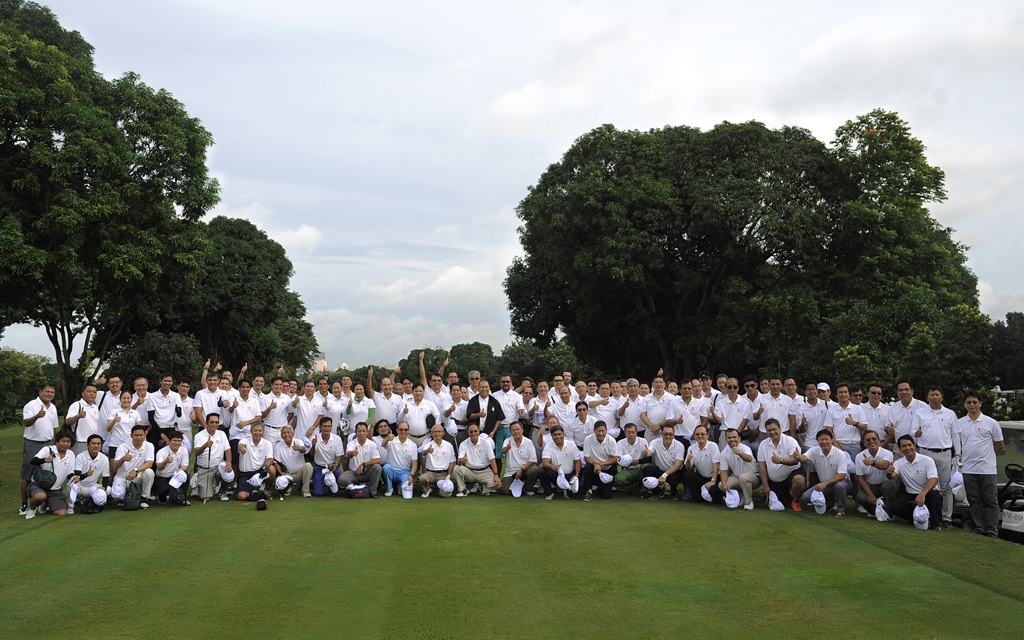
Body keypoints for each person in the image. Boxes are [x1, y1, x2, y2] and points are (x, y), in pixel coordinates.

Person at [909, 386, 959, 528]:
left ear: (941, 397)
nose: (934, 397)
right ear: (927, 398)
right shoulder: (920, 413)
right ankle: (928, 514)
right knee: (928, 486)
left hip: (944, 453)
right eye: (932, 395)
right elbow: (912, 431)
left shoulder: (950, 414)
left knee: (946, 487)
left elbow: (955, 434)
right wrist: (916, 434)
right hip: (925, 452)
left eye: (937, 395)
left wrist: (959, 454)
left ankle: (947, 517)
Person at [957, 391, 1004, 537]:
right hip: (969, 468)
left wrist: (989, 457)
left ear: (980, 403)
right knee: (974, 499)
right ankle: (980, 527)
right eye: (969, 402)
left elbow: (999, 444)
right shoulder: (960, 423)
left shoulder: (991, 422)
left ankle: (992, 529)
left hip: (987, 469)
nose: (972, 405)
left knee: (990, 499)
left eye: (974, 402)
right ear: (965, 404)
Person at [882, 435, 941, 529]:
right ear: (900, 449)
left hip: (928, 493)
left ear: (914, 446)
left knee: (934, 496)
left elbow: (934, 479)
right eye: (904, 446)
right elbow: (892, 476)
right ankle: (917, 521)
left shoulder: (927, 460)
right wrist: (890, 472)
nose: (907, 448)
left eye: (909, 445)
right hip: (910, 494)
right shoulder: (899, 463)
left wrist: (923, 493)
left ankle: (935, 525)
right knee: (894, 507)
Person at [20, 383, 59, 516]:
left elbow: (54, 427)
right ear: (40, 391)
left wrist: (54, 443)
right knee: (28, 472)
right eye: (47, 391)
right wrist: (37, 416)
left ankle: (43, 502)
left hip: (48, 443)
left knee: (46, 472)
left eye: (52, 392)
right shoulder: (31, 405)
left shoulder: (53, 407)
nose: (49, 394)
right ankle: (24, 505)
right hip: (32, 443)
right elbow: (26, 422)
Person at [795, 430, 852, 517]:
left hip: (842, 482)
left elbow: (841, 475)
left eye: (826, 439)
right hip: (826, 485)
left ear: (831, 440)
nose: (824, 442)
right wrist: (798, 457)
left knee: (839, 486)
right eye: (821, 439)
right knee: (806, 497)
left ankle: (840, 510)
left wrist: (824, 483)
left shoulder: (840, 454)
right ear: (817, 441)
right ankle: (830, 502)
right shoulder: (814, 451)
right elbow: (804, 457)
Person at [25, 428, 76, 519]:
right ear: (56, 441)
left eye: (68, 441)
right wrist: (44, 460)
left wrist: (74, 477)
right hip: (39, 485)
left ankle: (46, 503)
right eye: (63, 441)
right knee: (40, 496)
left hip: (55, 489)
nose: (65, 444)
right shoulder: (47, 449)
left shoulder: (71, 454)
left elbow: (70, 472)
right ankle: (32, 508)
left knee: (62, 512)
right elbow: (33, 461)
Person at [757, 418, 804, 511]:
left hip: (791, 475)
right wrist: (765, 485)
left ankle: (795, 501)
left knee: (799, 480)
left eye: (774, 429)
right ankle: (787, 496)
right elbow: (762, 465)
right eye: (769, 430)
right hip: (776, 481)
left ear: (780, 428)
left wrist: (781, 461)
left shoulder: (790, 441)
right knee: (781, 505)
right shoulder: (763, 444)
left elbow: (795, 460)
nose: (772, 432)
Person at [111, 425, 156, 508]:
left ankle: (143, 498)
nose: (139, 437)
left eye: (141, 435)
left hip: (138, 475)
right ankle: (126, 498)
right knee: (117, 495)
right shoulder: (122, 447)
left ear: (144, 435)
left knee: (149, 472)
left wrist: (135, 470)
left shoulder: (149, 446)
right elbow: (115, 466)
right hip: (123, 477)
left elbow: (149, 463)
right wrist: (123, 458)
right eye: (136, 435)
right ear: (131, 436)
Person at [193, 413, 233, 503]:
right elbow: (197, 452)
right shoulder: (199, 436)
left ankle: (221, 491)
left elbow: (228, 450)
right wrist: (205, 445)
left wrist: (229, 463)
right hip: (205, 469)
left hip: (218, 466)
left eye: (216, 422)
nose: (214, 424)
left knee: (230, 474)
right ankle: (205, 486)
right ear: (206, 423)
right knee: (205, 498)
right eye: (212, 422)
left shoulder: (222, 434)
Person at [718, 427, 761, 510]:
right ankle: (740, 495)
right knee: (721, 485)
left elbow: (749, 459)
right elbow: (724, 471)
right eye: (729, 438)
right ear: (726, 439)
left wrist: (739, 453)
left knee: (743, 477)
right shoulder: (724, 453)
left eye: (734, 437)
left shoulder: (745, 448)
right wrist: (724, 484)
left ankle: (748, 502)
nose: (732, 439)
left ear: (739, 438)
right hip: (738, 478)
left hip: (754, 477)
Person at [453, 424, 501, 497]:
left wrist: (496, 474)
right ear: (468, 432)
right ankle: (463, 490)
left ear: (478, 431)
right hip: (470, 471)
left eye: (475, 431)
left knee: (497, 484)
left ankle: (484, 489)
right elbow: (459, 461)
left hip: (484, 471)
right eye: (471, 432)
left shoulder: (486, 443)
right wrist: (461, 461)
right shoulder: (463, 444)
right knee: (457, 468)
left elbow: (492, 459)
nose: (473, 433)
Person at [338, 422, 384, 498]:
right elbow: (347, 454)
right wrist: (353, 453)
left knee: (377, 467)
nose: (361, 433)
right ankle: (357, 486)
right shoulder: (351, 444)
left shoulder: (372, 444)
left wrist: (363, 464)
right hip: (354, 473)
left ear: (367, 432)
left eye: (363, 431)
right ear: (355, 432)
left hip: (367, 472)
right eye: (359, 431)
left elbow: (378, 460)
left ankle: (372, 491)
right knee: (341, 478)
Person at [640, 425, 686, 499]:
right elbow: (649, 451)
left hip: (674, 472)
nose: (668, 436)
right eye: (665, 434)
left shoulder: (679, 445)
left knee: (673, 479)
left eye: (670, 434)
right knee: (647, 469)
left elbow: (677, 465)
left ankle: (674, 492)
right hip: (660, 470)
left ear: (674, 434)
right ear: (661, 434)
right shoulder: (655, 442)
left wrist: (664, 476)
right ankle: (657, 492)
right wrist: (646, 453)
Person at [854, 430, 894, 516]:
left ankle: (889, 512)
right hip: (871, 486)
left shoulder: (887, 453)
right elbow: (860, 478)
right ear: (864, 443)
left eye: (874, 439)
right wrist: (870, 494)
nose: (871, 441)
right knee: (861, 497)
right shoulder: (859, 456)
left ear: (879, 441)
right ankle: (875, 512)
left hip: (885, 485)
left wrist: (873, 462)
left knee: (889, 485)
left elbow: (885, 465)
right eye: (868, 440)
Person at [540, 424, 582, 500]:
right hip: (556, 474)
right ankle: (549, 493)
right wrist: (552, 467)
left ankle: (565, 489)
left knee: (581, 487)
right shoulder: (548, 447)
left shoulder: (571, 445)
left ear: (563, 434)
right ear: (552, 436)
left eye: (559, 434)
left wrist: (576, 475)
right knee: (542, 472)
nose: (558, 436)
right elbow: (544, 462)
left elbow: (577, 462)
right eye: (555, 435)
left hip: (570, 475)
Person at [70, 434, 110, 513]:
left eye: (98, 444)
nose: (96, 446)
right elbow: (77, 476)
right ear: (88, 445)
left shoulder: (104, 458)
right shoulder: (80, 456)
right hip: (80, 487)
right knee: (72, 485)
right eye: (93, 443)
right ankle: (70, 507)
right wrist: (86, 475)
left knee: (108, 490)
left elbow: (106, 476)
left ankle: (90, 501)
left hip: (92, 487)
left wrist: (104, 487)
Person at [235, 424, 277, 501]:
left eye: (260, 431)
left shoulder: (267, 443)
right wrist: (243, 449)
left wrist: (265, 468)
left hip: (260, 471)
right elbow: (241, 445)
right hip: (246, 474)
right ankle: (253, 492)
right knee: (241, 497)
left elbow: (270, 459)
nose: (257, 433)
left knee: (272, 469)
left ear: (263, 432)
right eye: (255, 430)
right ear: (251, 431)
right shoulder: (244, 440)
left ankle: (265, 490)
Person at [683, 425, 721, 503]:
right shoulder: (691, 448)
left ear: (707, 435)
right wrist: (688, 461)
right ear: (694, 436)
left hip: (714, 477)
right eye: (697, 434)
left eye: (703, 434)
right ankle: (697, 497)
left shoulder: (713, 446)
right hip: (702, 477)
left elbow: (716, 464)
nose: (700, 436)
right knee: (688, 475)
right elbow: (689, 468)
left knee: (714, 493)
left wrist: (713, 481)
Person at [272, 425, 313, 498]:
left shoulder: (298, 441)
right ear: (281, 436)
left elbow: (304, 450)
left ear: (292, 434)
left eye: (288, 432)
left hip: (300, 474)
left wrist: (299, 448)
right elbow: (276, 462)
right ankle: (290, 486)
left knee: (308, 466)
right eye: (284, 433)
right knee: (284, 491)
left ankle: (305, 491)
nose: (286, 434)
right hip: (288, 475)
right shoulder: (278, 446)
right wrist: (280, 473)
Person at [582, 421, 619, 500]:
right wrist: (595, 464)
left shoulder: (611, 440)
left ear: (606, 430)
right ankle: (588, 491)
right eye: (598, 431)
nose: (601, 433)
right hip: (594, 468)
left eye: (603, 431)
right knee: (587, 467)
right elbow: (587, 458)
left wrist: (601, 464)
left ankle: (600, 486)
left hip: (607, 469)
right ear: (594, 430)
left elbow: (615, 458)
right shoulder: (588, 440)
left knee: (606, 496)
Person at [500, 422, 539, 495]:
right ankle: (519, 487)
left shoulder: (528, 442)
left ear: (522, 430)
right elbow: (503, 451)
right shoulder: (508, 441)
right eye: (513, 430)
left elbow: (533, 460)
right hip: (511, 472)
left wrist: (521, 469)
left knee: (535, 469)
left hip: (524, 470)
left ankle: (527, 488)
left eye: (517, 429)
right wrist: (507, 447)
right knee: (506, 491)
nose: (516, 432)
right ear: (511, 432)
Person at [417, 424, 456, 498]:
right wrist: (427, 450)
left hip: (443, 473)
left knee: (446, 494)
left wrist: (449, 475)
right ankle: (427, 489)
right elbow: (423, 453)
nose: (437, 433)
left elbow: (451, 462)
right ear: (431, 433)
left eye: (439, 431)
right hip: (431, 473)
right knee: (422, 478)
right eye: (435, 432)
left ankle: (438, 489)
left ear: (443, 433)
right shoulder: (428, 444)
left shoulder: (449, 445)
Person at [382, 422, 419, 497]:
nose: (403, 432)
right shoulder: (392, 440)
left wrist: (411, 475)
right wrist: (388, 438)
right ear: (397, 430)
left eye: (405, 430)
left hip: (405, 471)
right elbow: (383, 444)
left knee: (404, 494)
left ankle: (400, 485)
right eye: (401, 430)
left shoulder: (413, 445)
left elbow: (414, 463)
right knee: (386, 467)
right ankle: (389, 489)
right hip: (392, 470)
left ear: (408, 431)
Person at [788, 382, 829, 450]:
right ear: (804, 392)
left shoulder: (826, 405)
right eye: (809, 389)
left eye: (813, 389)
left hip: (826, 442)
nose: (812, 391)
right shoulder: (801, 408)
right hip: (810, 444)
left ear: (817, 390)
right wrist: (803, 423)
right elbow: (802, 430)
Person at [310, 417, 344, 496]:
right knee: (318, 494)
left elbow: (339, 456)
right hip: (319, 468)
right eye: (325, 426)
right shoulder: (315, 438)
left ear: (332, 427)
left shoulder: (337, 439)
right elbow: (312, 454)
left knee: (338, 472)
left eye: (329, 426)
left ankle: (331, 486)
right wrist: (313, 445)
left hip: (332, 467)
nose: (327, 428)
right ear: (320, 427)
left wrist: (335, 465)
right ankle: (324, 486)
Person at [153, 432, 190, 504]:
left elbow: (185, 466)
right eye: (174, 440)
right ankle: (162, 498)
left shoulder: (183, 450)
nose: (177, 443)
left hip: (175, 475)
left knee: (185, 475)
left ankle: (183, 499)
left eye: (179, 441)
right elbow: (159, 467)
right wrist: (166, 461)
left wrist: (180, 470)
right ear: (169, 441)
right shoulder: (161, 452)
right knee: (162, 493)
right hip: (163, 477)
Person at [146, 373, 180, 450]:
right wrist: (162, 434)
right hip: (156, 430)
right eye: (165, 381)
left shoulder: (176, 396)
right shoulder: (152, 396)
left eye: (169, 381)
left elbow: (179, 413)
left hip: (171, 428)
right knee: (155, 455)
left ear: (172, 382)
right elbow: (150, 418)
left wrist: (178, 411)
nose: (167, 383)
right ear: (160, 381)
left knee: (170, 454)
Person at [64, 384, 100, 455]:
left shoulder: (95, 407)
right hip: (81, 442)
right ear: (83, 393)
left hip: (94, 442)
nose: (92, 394)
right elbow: (68, 422)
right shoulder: (76, 405)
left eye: (94, 392)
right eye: (89, 391)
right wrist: (78, 416)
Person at [614, 423, 650, 494]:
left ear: (636, 432)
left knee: (647, 467)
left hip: (640, 468)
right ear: (625, 433)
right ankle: (631, 485)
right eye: (629, 432)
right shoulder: (620, 443)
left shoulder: (643, 441)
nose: (631, 435)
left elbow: (649, 458)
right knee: (618, 479)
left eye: (633, 432)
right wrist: (626, 463)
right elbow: (618, 459)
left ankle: (644, 489)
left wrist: (638, 461)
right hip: (628, 469)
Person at [259, 377, 294, 445]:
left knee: (283, 451)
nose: (279, 386)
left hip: (283, 430)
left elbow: (291, 413)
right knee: (270, 452)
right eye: (276, 384)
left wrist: (283, 422)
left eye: (280, 384)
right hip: (270, 430)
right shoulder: (265, 398)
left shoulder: (286, 398)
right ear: (272, 385)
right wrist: (270, 408)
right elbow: (262, 416)